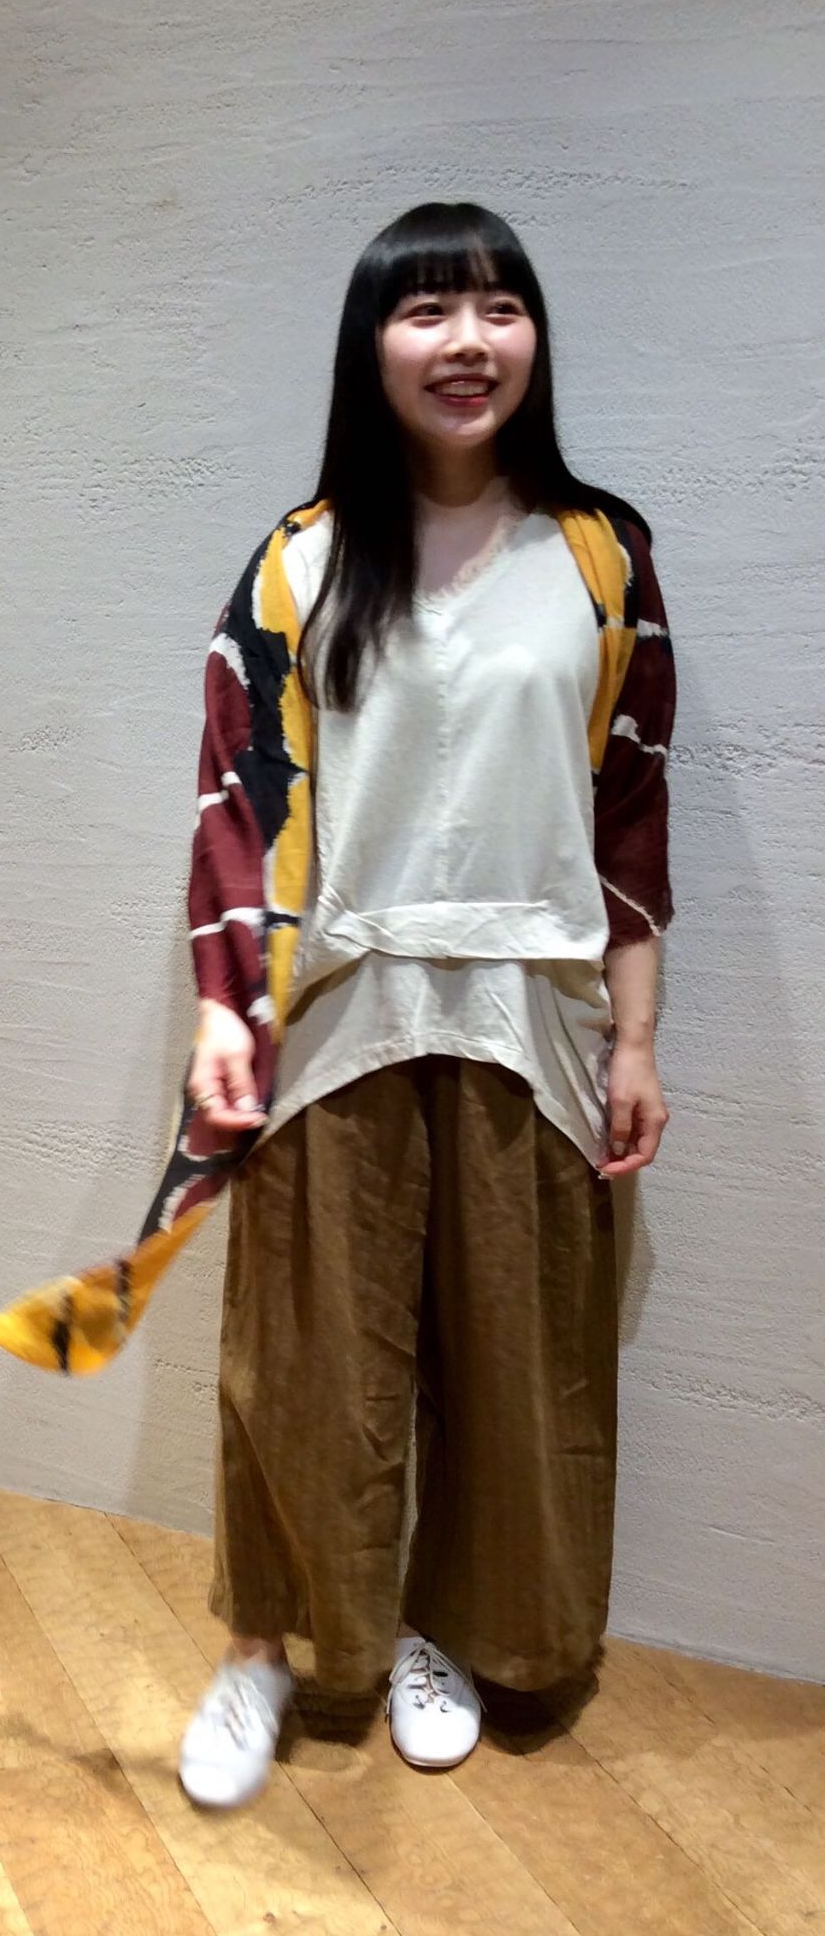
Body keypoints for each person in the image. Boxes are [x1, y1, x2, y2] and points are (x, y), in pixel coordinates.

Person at [175, 199, 676, 1809]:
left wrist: (638, 1036)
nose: (468, 342)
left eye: (498, 308)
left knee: (519, 1353)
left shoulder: (600, 553)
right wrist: (222, 1007)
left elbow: (629, 812)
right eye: (427, 311)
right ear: (371, 344)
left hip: (536, 1010)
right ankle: (268, 1642)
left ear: (535, 337)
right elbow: (235, 796)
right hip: (338, 1005)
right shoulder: (300, 559)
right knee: (305, 1354)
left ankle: (445, 1629)